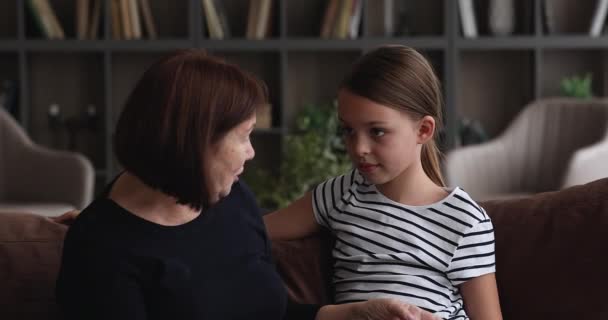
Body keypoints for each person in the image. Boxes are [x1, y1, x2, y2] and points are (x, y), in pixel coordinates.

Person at [55, 49, 438, 320]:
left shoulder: (234, 199)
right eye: (243, 137)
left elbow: (273, 312)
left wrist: (356, 314)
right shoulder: (102, 249)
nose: (251, 154)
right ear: (194, 143)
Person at [264, 45, 503, 320]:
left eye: (377, 131)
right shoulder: (342, 194)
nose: (359, 147)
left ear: (423, 130)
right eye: (349, 130)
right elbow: (256, 231)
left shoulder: (467, 220)